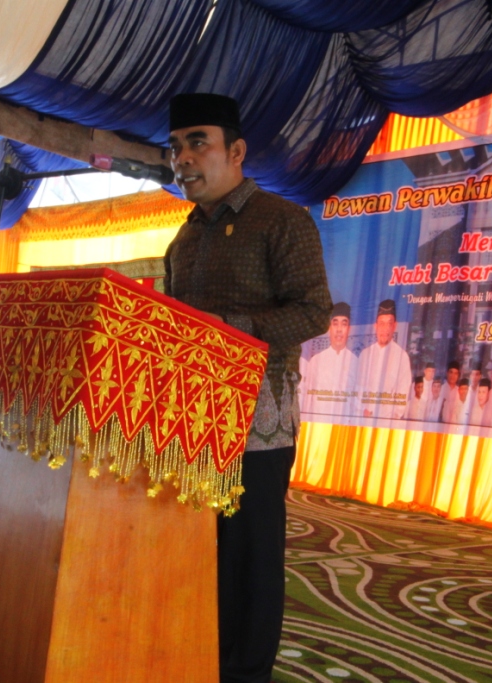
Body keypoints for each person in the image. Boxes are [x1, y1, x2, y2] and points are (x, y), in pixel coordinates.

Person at [163, 92, 333, 683]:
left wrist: (228, 329)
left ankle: (245, 673)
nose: (183, 158)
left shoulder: (282, 220)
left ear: (236, 151)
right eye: (175, 147)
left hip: (258, 423)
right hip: (191, 417)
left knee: (250, 554)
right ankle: (197, 658)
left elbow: (313, 311)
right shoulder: (184, 237)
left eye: (198, 143)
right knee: (195, 547)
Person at [357, 299, 412, 419]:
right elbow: (358, 388)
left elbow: (402, 395)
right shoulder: (365, 355)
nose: (385, 329)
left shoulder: (402, 357)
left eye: (389, 323)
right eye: (382, 323)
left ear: (394, 326)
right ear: (375, 326)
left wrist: (391, 418)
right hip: (364, 420)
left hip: (388, 422)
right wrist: (362, 410)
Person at [301, 302, 357, 417]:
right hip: (318, 423)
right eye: (335, 324)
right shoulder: (316, 361)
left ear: (349, 329)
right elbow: (308, 399)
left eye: (344, 324)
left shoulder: (356, 363)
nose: (339, 330)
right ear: (329, 328)